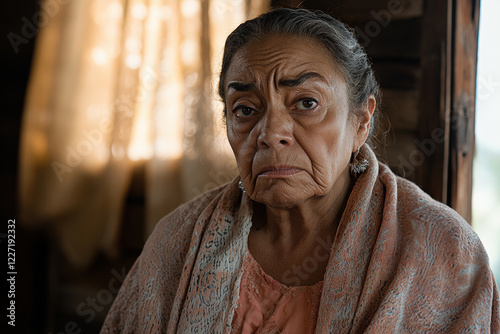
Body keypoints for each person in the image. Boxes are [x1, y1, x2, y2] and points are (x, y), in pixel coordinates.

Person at [101, 8, 499, 333]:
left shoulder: (442, 252)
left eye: (306, 103)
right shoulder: (177, 241)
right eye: (245, 109)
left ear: (361, 121)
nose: (271, 133)